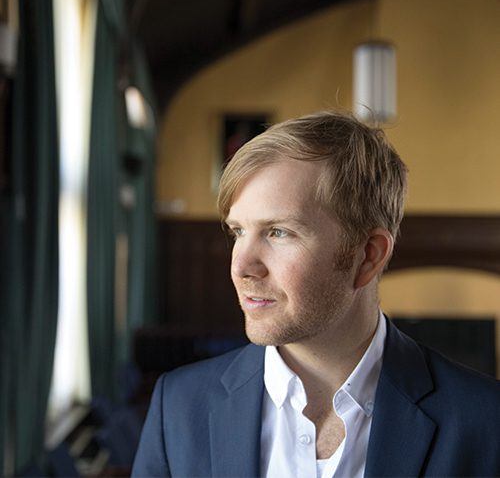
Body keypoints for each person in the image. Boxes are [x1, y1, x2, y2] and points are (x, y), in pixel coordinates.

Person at [132, 110, 500, 477]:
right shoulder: (178, 407)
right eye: (238, 232)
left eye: (278, 232)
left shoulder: (485, 422)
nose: (241, 267)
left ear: (368, 255)